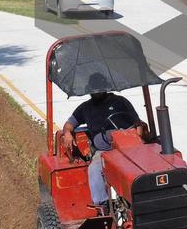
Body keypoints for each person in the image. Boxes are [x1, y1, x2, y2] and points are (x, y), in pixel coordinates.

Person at [60, 73, 141, 211]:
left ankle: (141, 196)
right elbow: (69, 124)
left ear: (105, 88)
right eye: (93, 90)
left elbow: (138, 123)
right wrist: (67, 133)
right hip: (104, 152)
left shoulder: (121, 102)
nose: (96, 93)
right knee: (94, 168)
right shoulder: (85, 108)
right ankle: (102, 205)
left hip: (128, 147)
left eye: (99, 89)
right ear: (89, 90)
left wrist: (140, 137)